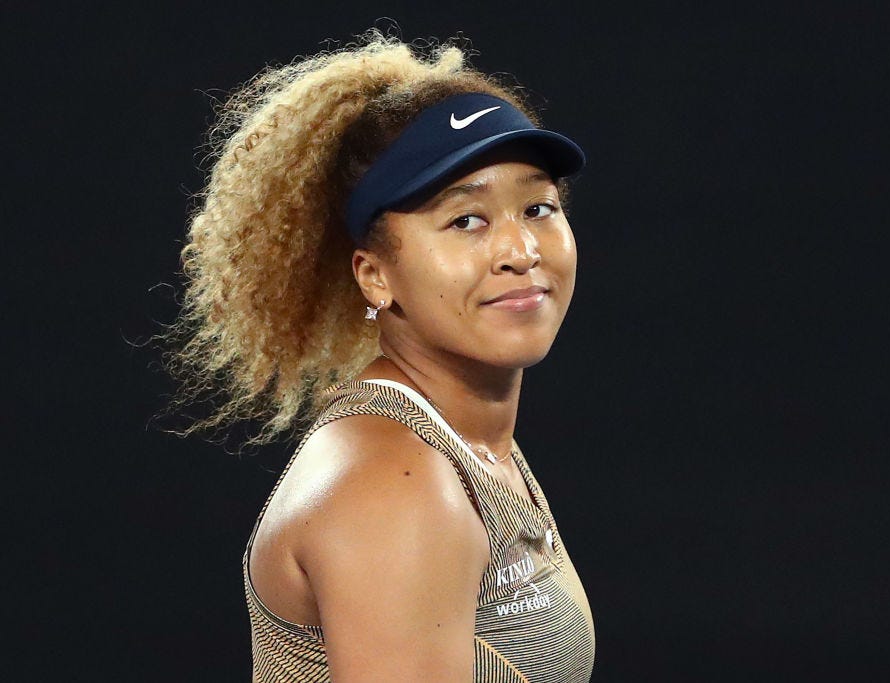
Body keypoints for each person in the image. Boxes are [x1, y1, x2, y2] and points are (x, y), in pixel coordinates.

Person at [168, 31, 594, 681]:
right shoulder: (394, 482)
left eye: (538, 207)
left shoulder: (469, 438)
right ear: (375, 276)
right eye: (467, 220)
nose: (519, 248)